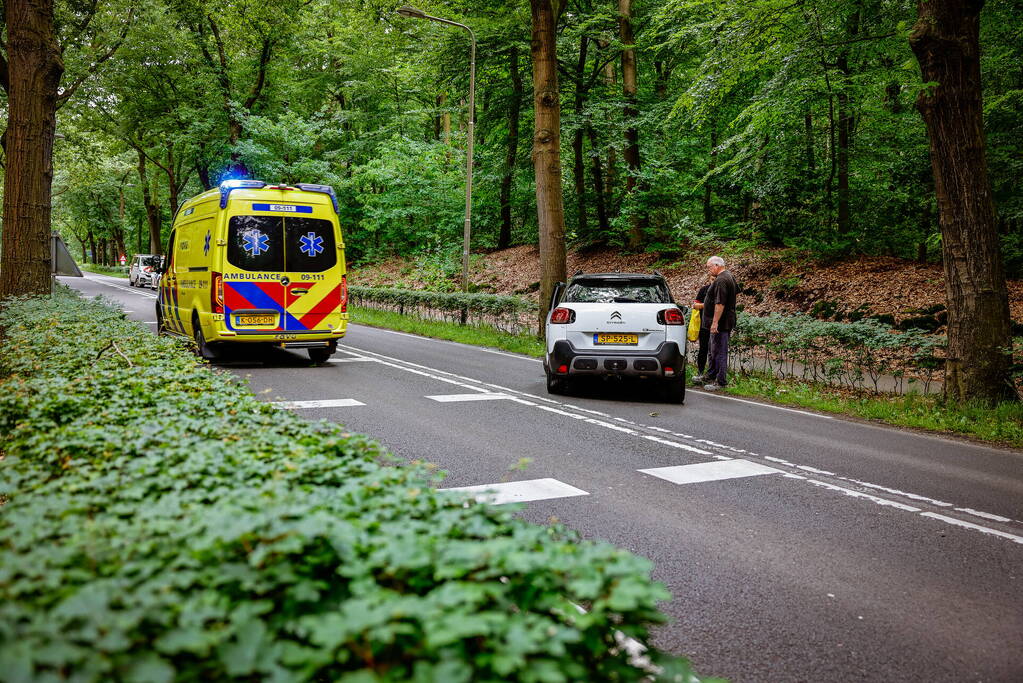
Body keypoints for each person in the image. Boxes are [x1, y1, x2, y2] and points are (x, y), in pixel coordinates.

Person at [702, 256, 737, 391]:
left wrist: (715, 322)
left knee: (719, 351)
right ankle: (711, 374)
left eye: (709, 267)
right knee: (713, 349)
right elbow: (734, 294)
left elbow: (720, 303)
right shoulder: (729, 276)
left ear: (717, 265)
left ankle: (720, 381)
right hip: (725, 320)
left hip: (721, 323)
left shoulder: (722, 280)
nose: (709, 270)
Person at [691, 273, 715, 384]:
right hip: (703, 325)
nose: (714, 281)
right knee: (703, 349)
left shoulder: (721, 290)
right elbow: (695, 305)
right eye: (712, 278)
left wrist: (704, 305)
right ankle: (700, 372)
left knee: (714, 350)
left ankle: (713, 374)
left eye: (716, 279)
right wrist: (705, 305)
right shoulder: (704, 290)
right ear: (709, 279)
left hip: (717, 324)